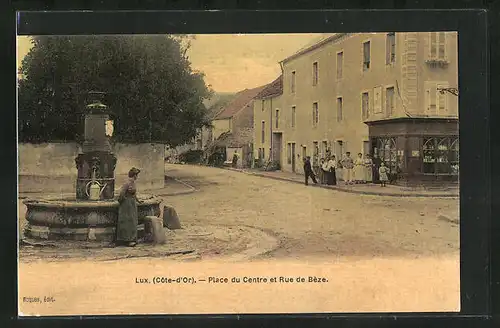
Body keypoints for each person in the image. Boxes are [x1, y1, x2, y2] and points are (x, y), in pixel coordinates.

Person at [116, 167, 142, 247]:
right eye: (136, 175)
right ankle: (127, 240)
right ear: (134, 175)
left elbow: (134, 194)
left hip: (132, 204)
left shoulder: (133, 183)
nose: (137, 177)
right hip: (126, 205)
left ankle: (132, 239)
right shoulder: (127, 183)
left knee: (133, 221)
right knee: (127, 222)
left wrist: (138, 201)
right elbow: (121, 194)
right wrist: (123, 202)